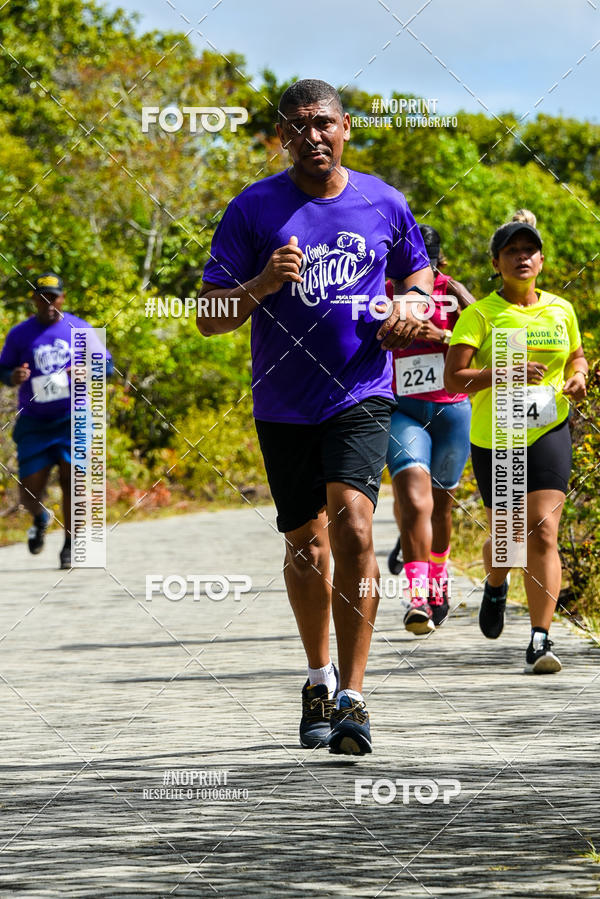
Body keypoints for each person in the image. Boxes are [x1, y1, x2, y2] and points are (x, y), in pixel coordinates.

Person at [197, 79, 433, 755]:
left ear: (346, 126)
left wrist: (410, 305)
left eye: (323, 122)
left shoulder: (384, 201)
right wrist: (261, 283)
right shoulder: (253, 208)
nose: (313, 136)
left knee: (354, 526)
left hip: (361, 390)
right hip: (283, 401)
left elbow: (418, 275)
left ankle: (354, 698)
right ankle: (318, 678)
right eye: (298, 126)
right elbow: (208, 315)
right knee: (306, 544)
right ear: (282, 136)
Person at [445, 211, 588, 673]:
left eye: (530, 251)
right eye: (512, 251)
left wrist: (579, 375)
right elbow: (454, 379)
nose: (522, 257)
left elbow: (577, 356)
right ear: (496, 262)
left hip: (548, 427)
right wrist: (502, 372)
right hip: (498, 435)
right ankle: (495, 583)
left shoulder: (560, 309)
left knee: (543, 530)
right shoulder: (479, 314)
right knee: (508, 539)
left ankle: (540, 638)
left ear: (541, 261)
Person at [386, 225, 475, 634]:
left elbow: (491, 341)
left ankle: (439, 580)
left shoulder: (452, 293)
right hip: (403, 410)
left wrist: (444, 335)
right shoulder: (384, 292)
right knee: (413, 499)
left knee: (441, 507)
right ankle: (417, 596)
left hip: (451, 410)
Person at [0, 273, 113, 569]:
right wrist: (13, 376)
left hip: (73, 418)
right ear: (34, 299)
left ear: (63, 298)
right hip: (35, 422)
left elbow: (108, 366)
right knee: (28, 492)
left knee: (73, 481)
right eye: (43, 297)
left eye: (54, 297)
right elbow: (3, 369)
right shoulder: (20, 334)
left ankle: (70, 546)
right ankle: (40, 517)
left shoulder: (80, 328)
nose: (49, 303)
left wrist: (88, 370)